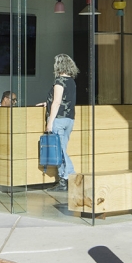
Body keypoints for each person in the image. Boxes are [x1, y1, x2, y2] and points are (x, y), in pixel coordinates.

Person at [45, 54, 79, 186]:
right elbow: (64, 99)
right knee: (61, 149)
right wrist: (46, 102)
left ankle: (71, 176)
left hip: (59, 119)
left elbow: (57, 101)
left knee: (60, 151)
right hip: (69, 119)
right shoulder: (71, 81)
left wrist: (50, 122)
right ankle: (63, 180)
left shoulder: (59, 81)